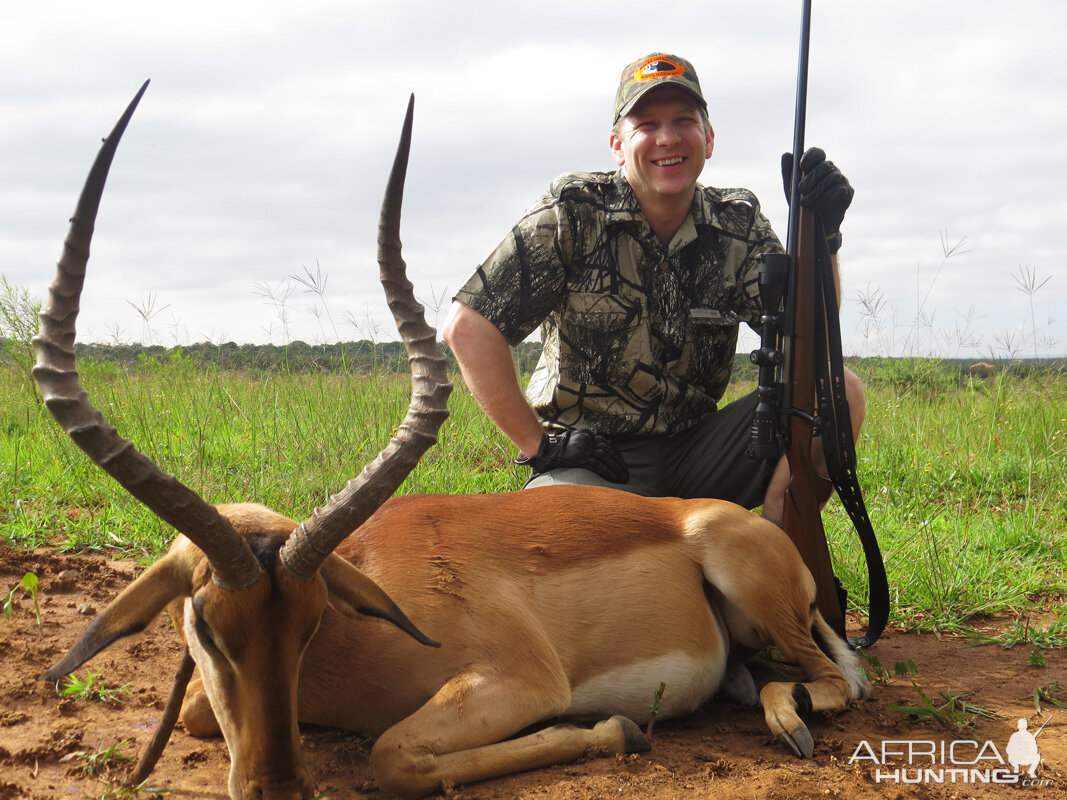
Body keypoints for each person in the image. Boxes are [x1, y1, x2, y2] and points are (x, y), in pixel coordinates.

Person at [442, 52, 864, 520]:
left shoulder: (739, 226)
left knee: (839, 391)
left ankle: (778, 562)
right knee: (559, 541)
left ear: (708, 138)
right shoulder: (570, 214)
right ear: (618, 145)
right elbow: (467, 329)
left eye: (684, 120)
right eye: (646, 124)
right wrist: (540, 445)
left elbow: (810, 337)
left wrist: (822, 238)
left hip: (702, 452)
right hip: (594, 460)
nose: (667, 138)